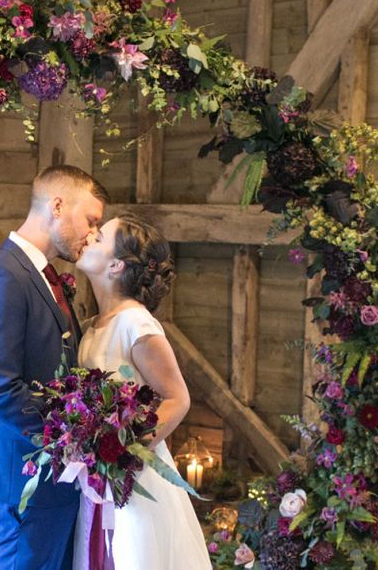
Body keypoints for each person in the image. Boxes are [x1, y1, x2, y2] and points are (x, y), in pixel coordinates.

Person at [0, 164, 109, 570]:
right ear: (58, 206)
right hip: (25, 474)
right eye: (91, 221)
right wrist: (77, 435)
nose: (93, 235)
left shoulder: (45, 276)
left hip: (54, 479)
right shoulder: (2, 278)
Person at [74, 213, 212, 570]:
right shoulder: (92, 326)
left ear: (116, 264)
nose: (90, 236)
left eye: (100, 236)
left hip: (134, 478)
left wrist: (123, 449)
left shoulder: (136, 321)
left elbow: (177, 397)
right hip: (98, 477)